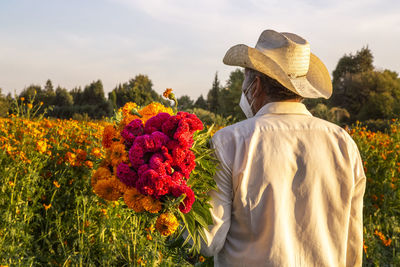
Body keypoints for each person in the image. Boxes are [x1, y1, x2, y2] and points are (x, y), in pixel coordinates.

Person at [201, 30, 366, 266]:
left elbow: (208, 241)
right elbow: (352, 245)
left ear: (255, 85)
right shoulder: (343, 144)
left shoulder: (229, 142)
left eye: (245, 79)